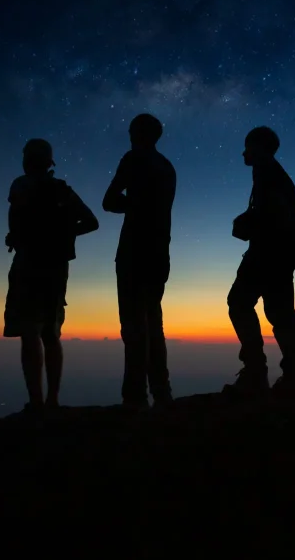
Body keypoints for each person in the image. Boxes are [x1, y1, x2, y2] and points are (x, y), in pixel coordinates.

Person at [4, 138, 99, 413]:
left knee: (29, 331)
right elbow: (92, 222)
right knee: (50, 333)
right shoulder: (62, 190)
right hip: (57, 267)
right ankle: (53, 400)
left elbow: (15, 219)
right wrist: (63, 234)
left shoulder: (20, 185)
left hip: (28, 264)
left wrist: (24, 237)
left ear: (27, 160)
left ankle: (36, 401)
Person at [224, 126, 295, 405]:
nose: (243, 153)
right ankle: (288, 382)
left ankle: (258, 375)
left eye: (248, 147)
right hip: (276, 255)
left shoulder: (269, 175)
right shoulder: (269, 174)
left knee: (242, 304)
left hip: (268, 255)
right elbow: (288, 216)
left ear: (260, 148)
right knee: (279, 313)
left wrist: (249, 224)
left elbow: (282, 216)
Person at [102, 113, 177, 411]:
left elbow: (109, 201)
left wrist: (133, 205)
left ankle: (134, 397)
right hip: (160, 251)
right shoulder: (168, 167)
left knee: (133, 323)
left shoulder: (134, 159)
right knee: (153, 321)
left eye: (131, 130)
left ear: (137, 133)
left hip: (134, 249)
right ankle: (161, 391)